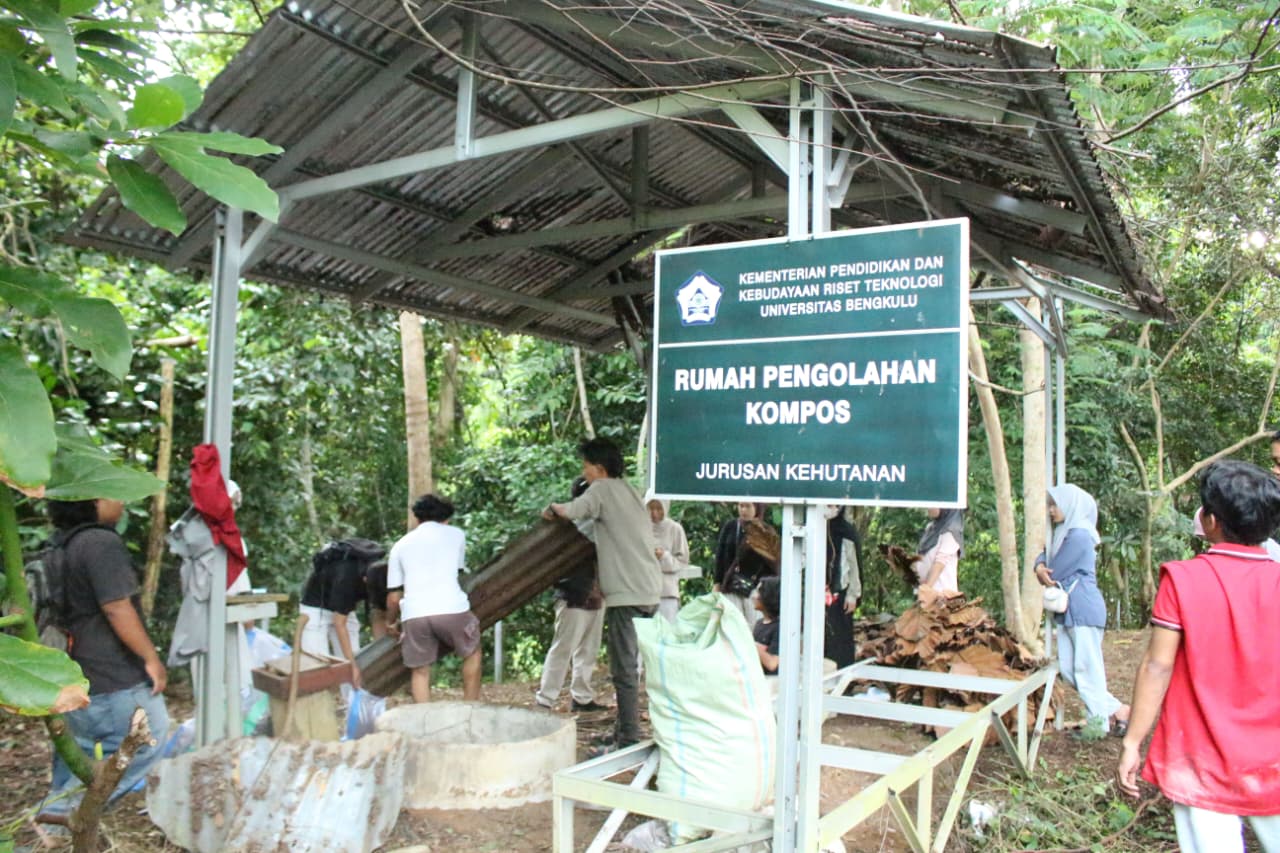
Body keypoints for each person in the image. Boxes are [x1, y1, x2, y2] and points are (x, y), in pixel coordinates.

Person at [1117, 460, 1280, 853]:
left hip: (1198, 758)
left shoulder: (1183, 579)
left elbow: (1157, 665)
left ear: (1210, 521)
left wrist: (1132, 742)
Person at [38, 498, 169, 823]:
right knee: (146, 740)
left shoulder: (59, 544)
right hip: (112, 675)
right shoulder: (99, 542)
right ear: (92, 501)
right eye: (112, 494)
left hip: (73, 674)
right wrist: (151, 658)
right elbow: (116, 607)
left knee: (79, 750)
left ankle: (54, 820)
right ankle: (63, 818)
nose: (121, 500)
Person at [544, 438, 660, 752]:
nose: (584, 474)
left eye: (586, 468)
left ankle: (628, 739)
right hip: (649, 589)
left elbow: (572, 511)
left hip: (627, 592)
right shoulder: (630, 492)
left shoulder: (602, 490)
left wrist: (553, 509)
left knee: (622, 669)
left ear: (598, 467)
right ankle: (624, 730)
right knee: (631, 666)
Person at [1034, 484, 1129, 734]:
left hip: (1083, 608)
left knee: (1086, 668)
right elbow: (1046, 561)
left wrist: (1041, 567)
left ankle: (1098, 725)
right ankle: (1117, 710)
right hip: (1069, 613)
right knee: (1069, 668)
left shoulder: (1079, 535)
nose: (1051, 510)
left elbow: (1054, 571)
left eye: (1055, 505)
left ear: (1071, 505)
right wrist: (1039, 565)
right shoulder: (1064, 534)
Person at [387, 494, 481, 703]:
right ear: (446, 518)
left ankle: (425, 722)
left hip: (414, 614)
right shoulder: (456, 535)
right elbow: (457, 570)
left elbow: (394, 597)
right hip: (451, 608)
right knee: (472, 653)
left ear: (416, 518)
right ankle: (471, 709)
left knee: (420, 671)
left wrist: (391, 622)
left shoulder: (400, 545)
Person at [536, 477, 607, 713]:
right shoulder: (569, 525)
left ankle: (582, 697)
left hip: (597, 594)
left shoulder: (600, 523)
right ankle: (545, 699)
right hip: (573, 595)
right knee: (563, 648)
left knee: (588, 650)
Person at [299, 537, 385, 689]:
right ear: (365, 580)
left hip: (344, 608)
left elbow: (378, 615)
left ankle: (353, 705)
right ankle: (319, 707)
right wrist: (351, 665)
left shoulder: (383, 576)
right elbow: (340, 623)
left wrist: (382, 654)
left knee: (355, 660)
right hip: (316, 607)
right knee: (316, 665)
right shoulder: (347, 579)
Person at [824, 506, 862, 668]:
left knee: (841, 637)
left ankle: (843, 676)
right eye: (828, 505)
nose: (831, 509)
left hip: (841, 592)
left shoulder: (846, 531)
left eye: (835, 506)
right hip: (817, 592)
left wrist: (853, 594)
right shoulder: (814, 526)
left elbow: (854, 565)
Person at [647, 497, 690, 623]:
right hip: (643, 592)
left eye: (659, 509)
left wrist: (664, 557)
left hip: (666, 593)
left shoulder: (675, 529)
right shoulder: (639, 528)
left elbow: (683, 562)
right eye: (651, 508)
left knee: (666, 633)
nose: (654, 513)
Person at [913, 508, 964, 602]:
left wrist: (925, 591)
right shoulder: (931, 528)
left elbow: (939, 565)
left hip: (941, 598)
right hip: (925, 597)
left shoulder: (951, 532)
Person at [753, 576, 782, 675]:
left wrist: (750, 643)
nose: (754, 596)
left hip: (773, 684)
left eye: (758, 592)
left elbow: (772, 664)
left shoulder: (780, 628)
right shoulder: (759, 624)